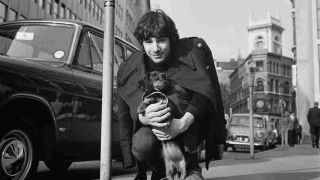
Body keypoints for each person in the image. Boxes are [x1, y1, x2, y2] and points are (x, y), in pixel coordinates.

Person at [117, 9, 226, 180]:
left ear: (171, 40)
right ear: (142, 43)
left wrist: (182, 124)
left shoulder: (190, 54)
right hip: (153, 134)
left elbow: (204, 92)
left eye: (161, 40)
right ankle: (162, 171)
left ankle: (189, 167)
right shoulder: (132, 67)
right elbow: (127, 108)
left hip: (187, 132)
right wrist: (144, 117)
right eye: (148, 41)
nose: (155, 48)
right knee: (142, 143)